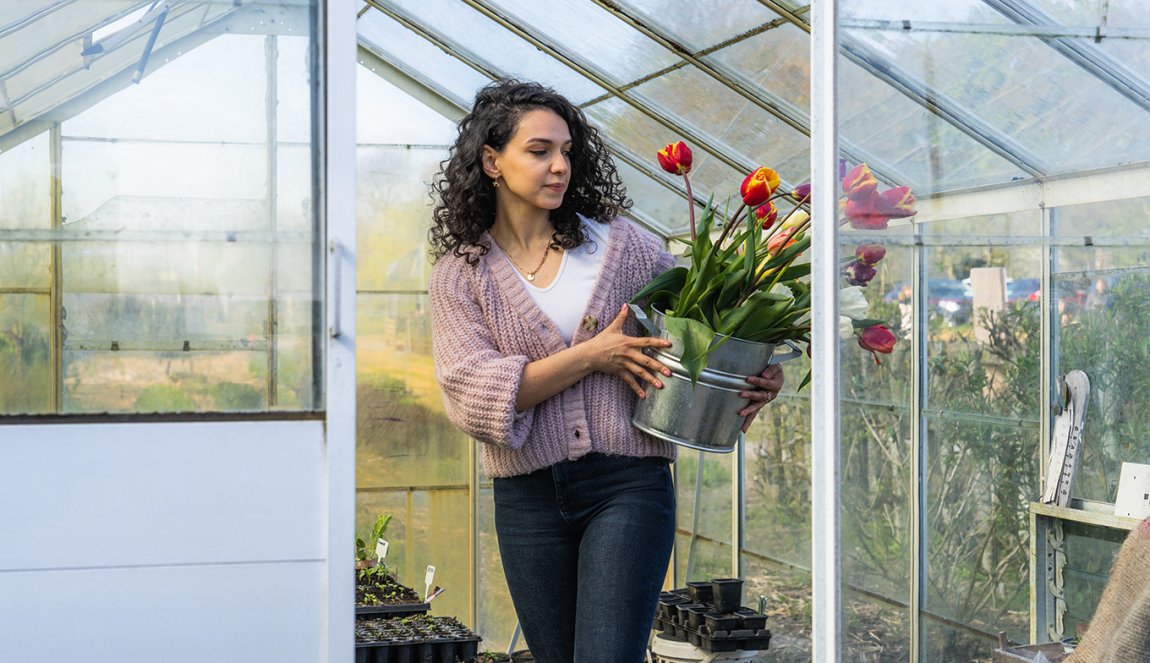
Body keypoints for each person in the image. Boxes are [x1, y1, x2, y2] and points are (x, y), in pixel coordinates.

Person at [427, 79, 784, 663]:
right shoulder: (461, 275)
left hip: (628, 484)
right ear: (492, 161)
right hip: (526, 497)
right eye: (539, 151)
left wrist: (751, 370)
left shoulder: (624, 247)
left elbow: (699, 332)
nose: (559, 166)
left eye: (566, 151)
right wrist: (591, 356)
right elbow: (473, 395)